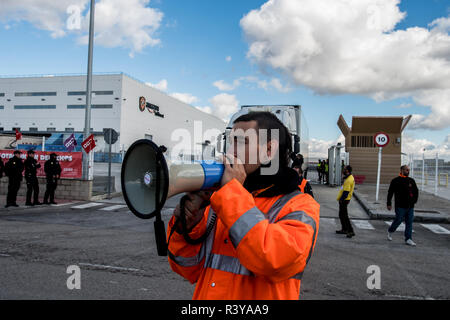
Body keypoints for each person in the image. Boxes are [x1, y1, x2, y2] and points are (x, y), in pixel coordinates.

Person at [167, 112, 320, 300]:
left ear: (269, 150)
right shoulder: (223, 199)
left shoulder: (300, 205)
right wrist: (187, 228)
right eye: (230, 142)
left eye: (241, 142)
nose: (230, 152)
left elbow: (273, 262)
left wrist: (231, 194)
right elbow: (187, 269)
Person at [387, 165, 419, 246]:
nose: (408, 171)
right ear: (401, 170)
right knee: (399, 220)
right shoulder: (395, 181)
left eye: (409, 170)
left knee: (409, 222)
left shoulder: (411, 180)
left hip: (410, 206)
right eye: (406, 170)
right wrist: (389, 203)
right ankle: (390, 230)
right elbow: (390, 192)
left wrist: (414, 201)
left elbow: (416, 191)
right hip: (400, 205)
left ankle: (408, 238)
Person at [336, 165, 355, 238]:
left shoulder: (348, 180)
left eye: (344, 169)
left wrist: (341, 200)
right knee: (341, 215)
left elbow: (346, 192)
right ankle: (344, 229)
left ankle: (350, 231)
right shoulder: (349, 178)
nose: (343, 170)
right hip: (345, 199)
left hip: (344, 200)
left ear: (347, 170)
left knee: (344, 216)